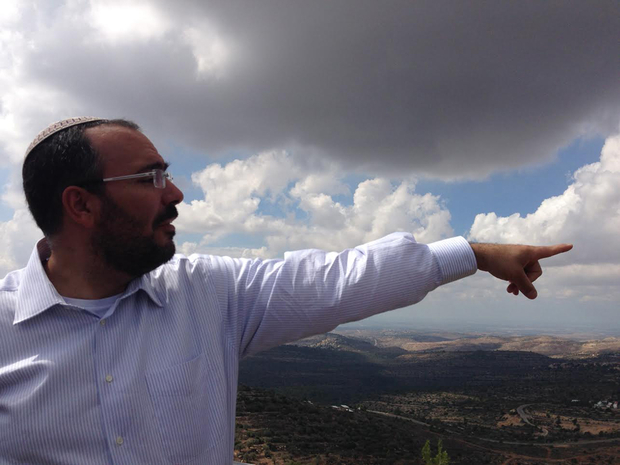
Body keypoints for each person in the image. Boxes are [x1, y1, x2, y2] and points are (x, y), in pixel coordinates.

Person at [0, 117, 572, 464]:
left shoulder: (207, 293)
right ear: (80, 204)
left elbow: (336, 280)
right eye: (150, 177)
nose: (174, 193)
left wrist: (474, 253)